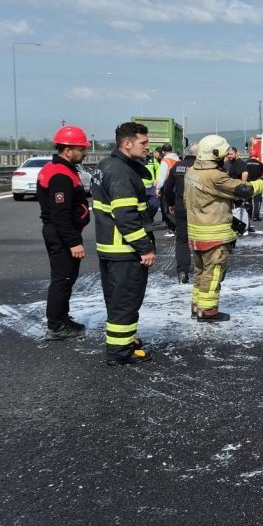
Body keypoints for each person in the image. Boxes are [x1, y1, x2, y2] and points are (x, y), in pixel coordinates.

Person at [184, 135, 263, 322]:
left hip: (196, 231)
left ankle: (197, 307)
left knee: (201, 271)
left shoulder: (192, 171)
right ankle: (208, 312)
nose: (226, 159)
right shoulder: (215, 176)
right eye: (223, 156)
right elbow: (245, 190)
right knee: (214, 271)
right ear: (215, 155)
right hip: (213, 233)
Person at [92, 122, 156, 365]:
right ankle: (120, 352)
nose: (148, 147)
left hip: (110, 247)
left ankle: (125, 339)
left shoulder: (107, 166)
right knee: (126, 300)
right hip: (125, 250)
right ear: (127, 143)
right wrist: (144, 247)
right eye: (144, 142)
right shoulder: (120, 172)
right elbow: (127, 216)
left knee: (116, 299)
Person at [37, 125, 92, 341]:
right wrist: (73, 242)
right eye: (81, 148)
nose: (85, 152)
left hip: (61, 233)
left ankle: (62, 318)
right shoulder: (60, 174)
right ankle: (56, 326)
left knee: (66, 278)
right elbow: (60, 214)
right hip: (61, 234)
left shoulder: (64, 169)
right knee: (62, 279)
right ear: (68, 150)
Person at [162, 143, 197, 284]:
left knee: (182, 240)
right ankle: (203, 269)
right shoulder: (203, 167)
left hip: (181, 207)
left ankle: (183, 271)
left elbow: (168, 188)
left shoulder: (177, 166)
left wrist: (171, 203)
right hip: (200, 209)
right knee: (202, 238)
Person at [154, 143, 179, 234]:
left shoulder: (165, 160)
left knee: (167, 209)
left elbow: (163, 176)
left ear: (163, 152)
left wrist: (158, 188)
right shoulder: (177, 158)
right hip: (178, 186)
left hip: (168, 186)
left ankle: (173, 228)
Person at [242, 150, 263, 231]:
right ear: (256, 155)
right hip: (257, 184)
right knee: (257, 201)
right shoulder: (259, 163)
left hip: (248, 184)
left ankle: (249, 216)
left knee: (248, 200)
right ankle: (255, 216)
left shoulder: (246, 163)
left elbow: (243, 173)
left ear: (250, 155)